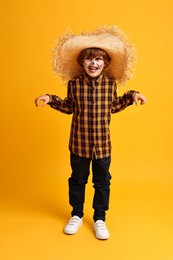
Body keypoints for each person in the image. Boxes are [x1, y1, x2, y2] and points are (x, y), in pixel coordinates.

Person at [35, 26, 147, 240]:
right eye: (89, 59)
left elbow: (114, 105)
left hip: (103, 146)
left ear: (105, 63)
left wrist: (132, 95)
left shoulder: (110, 84)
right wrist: (50, 99)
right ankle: (76, 214)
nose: (93, 63)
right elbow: (69, 106)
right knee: (77, 180)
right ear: (82, 62)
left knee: (102, 182)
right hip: (79, 144)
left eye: (98, 59)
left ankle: (99, 218)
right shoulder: (74, 84)